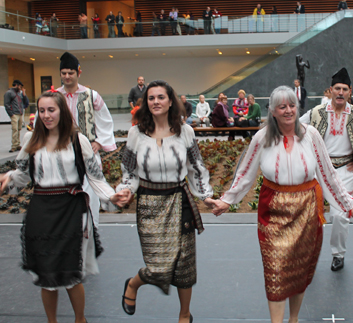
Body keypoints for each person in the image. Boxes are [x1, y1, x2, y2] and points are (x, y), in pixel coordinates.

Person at [212, 85, 353, 323]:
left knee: (299, 269)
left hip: (307, 210)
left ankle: (293, 319)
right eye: (282, 106)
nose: (288, 110)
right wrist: (226, 201)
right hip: (273, 212)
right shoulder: (262, 138)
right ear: (272, 111)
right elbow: (245, 174)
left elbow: (328, 175)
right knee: (275, 270)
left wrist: (349, 205)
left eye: (292, 105)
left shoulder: (312, 135)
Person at [0, 91, 127, 323]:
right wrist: (8, 178)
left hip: (71, 210)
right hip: (41, 212)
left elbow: (96, 178)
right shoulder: (32, 141)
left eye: (51, 110)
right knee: (46, 274)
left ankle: (80, 320)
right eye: (42, 111)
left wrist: (113, 196)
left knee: (71, 273)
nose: (46, 115)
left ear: (62, 112)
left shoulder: (79, 141)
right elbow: (22, 174)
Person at [116, 80, 214, 323]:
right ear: (145, 103)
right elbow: (128, 171)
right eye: (151, 98)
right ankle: (134, 283)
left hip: (180, 202)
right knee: (157, 266)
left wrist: (206, 196)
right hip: (149, 203)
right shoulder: (135, 134)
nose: (156, 102)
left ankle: (184, 314)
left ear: (171, 101)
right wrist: (126, 190)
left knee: (185, 264)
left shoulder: (185, 132)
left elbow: (196, 168)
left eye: (161, 97)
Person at [299, 67, 353, 271]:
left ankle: (338, 254)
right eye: (337, 88)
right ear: (330, 90)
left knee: (339, 215)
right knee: (311, 214)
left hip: (345, 170)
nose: (340, 92)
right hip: (318, 170)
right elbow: (295, 129)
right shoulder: (317, 113)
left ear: (350, 92)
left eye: (344, 89)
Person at [57, 52, 116, 228]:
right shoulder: (53, 97)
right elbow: (41, 122)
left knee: (90, 193)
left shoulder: (92, 95)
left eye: (71, 73)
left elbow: (105, 120)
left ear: (78, 73)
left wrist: (99, 141)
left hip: (87, 154)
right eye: (64, 73)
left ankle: (91, 231)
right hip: (60, 153)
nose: (67, 76)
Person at [4, 80, 29, 153]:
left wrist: (24, 95)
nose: (21, 88)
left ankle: (17, 144)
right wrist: (11, 114)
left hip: (20, 113)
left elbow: (24, 102)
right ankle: (14, 146)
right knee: (15, 129)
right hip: (14, 114)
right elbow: (6, 104)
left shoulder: (19, 93)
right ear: (16, 85)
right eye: (20, 86)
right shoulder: (9, 93)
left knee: (19, 129)